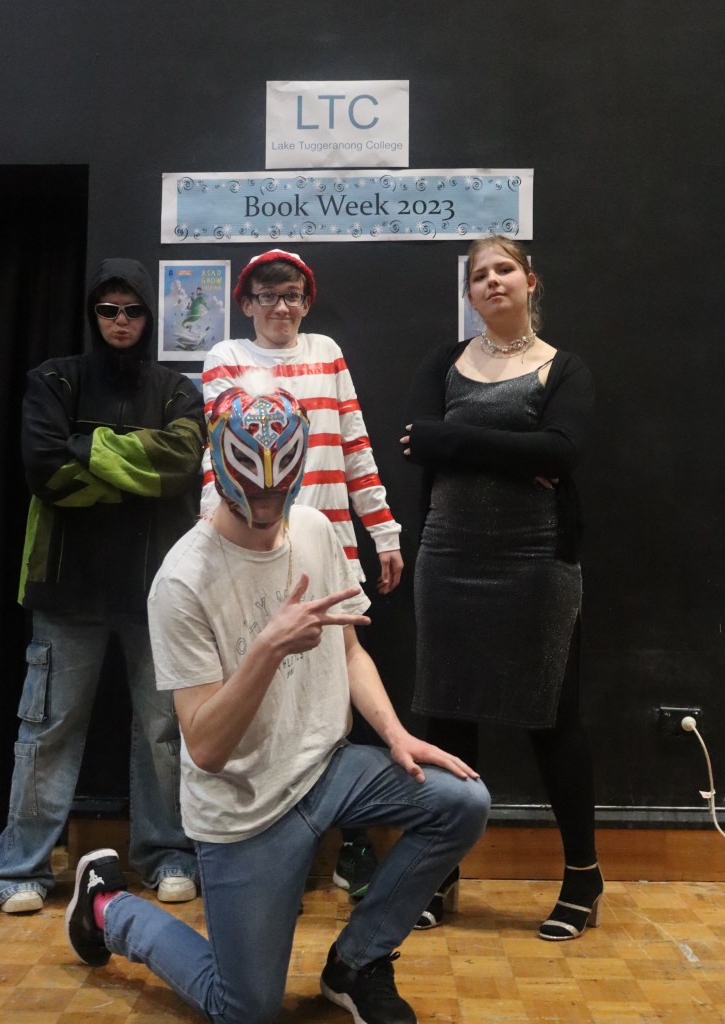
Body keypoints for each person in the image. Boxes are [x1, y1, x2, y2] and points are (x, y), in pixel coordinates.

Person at [65, 378, 490, 1024]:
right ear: (220, 468)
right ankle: (106, 907)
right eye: (252, 490)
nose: (266, 505)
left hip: (328, 769)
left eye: (277, 490)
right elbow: (205, 748)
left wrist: (396, 735)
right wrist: (267, 649)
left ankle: (355, 964)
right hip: (245, 810)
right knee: (244, 1010)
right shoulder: (182, 581)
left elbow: (350, 653)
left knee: (462, 802)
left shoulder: (314, 529)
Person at [0, 258, 205, 913]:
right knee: (47, 730)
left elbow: (181, 464)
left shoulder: (177, 390)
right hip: (66, 589)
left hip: (158, 591)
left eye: (132, 310)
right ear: (93, 313)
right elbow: (45, 470)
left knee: (164, 732)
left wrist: (89, 449)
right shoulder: (53, 380)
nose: (120, 321)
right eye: (108, 310)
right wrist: (137, 470)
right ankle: (19, 870)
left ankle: (167, 855)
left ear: (149, 316)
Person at [401, 235, 599, 939]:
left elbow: (563, 451)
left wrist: (456, 441)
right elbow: (416, 441)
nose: (492, 281)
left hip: (536, 561)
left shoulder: (563, 368)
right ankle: (440, 873)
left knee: (553, 720)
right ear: (470, 293)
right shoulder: (444, 362)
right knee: (448, 718)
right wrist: (520, 451)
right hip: (448, 556)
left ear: (529, 282)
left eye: (504, 269)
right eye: (480, 274)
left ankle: (583, 877)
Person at [200, 248, 404, 897]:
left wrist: (383, 530)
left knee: (338, 690)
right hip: (255, 550)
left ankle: (351, 840)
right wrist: (210, 546)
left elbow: (354, 445)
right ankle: (262, 841)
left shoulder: (327, 353)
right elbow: (221, 457)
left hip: (327, 546)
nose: (281, 306)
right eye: (267, 295)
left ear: (305, 301)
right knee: (258, 688)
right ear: (246, 303)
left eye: (291, 295)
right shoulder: (224, 358)